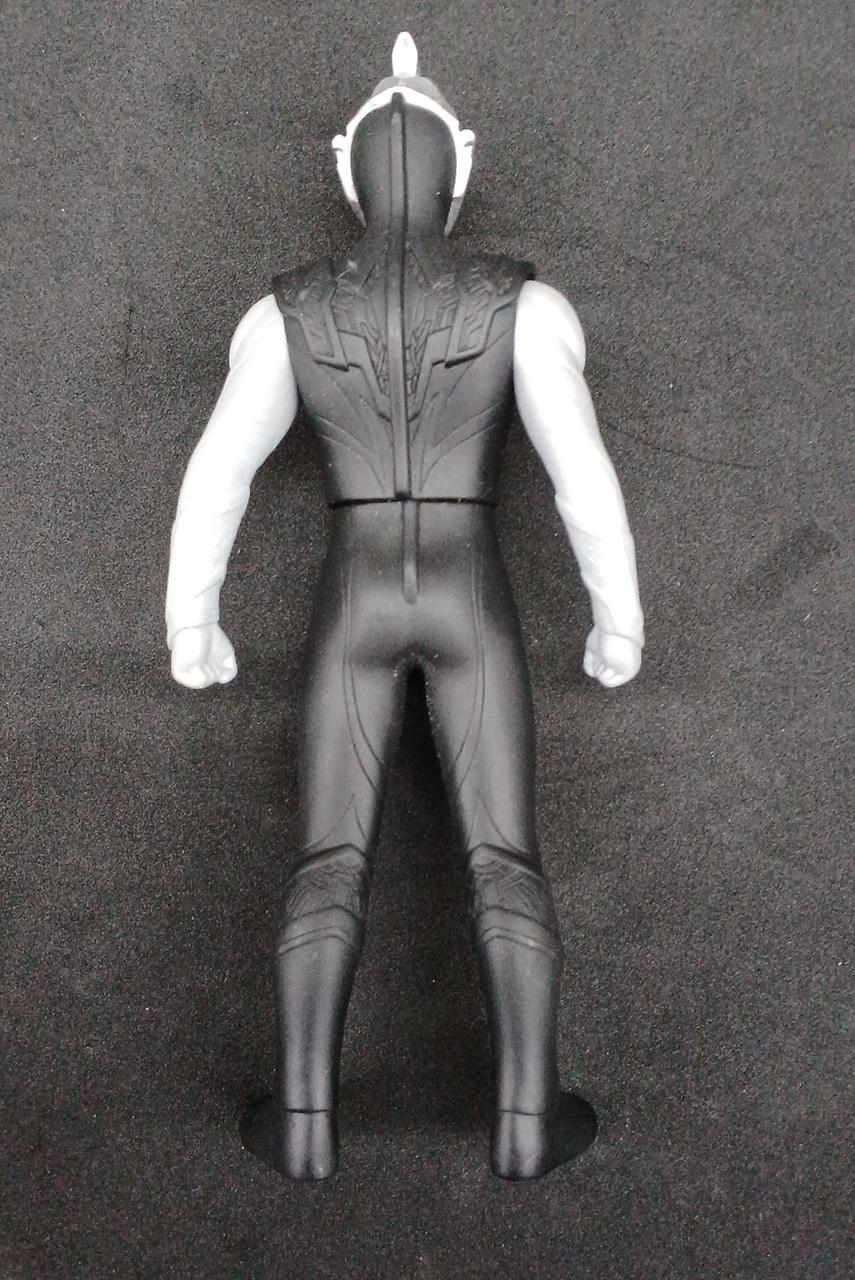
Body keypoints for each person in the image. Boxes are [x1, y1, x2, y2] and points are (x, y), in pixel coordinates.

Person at [166, 33, 644, 1180]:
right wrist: (617, 612)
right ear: (458, 161)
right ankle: (527, 1118)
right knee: (505, 854)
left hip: (356, 583)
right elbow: (581, 476)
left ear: (348, 165)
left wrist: (191, 614)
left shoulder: (286, 313)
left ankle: (304, 1117)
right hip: (471, 581)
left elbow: (219, 472)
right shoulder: (524, 306)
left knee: (328, 853)